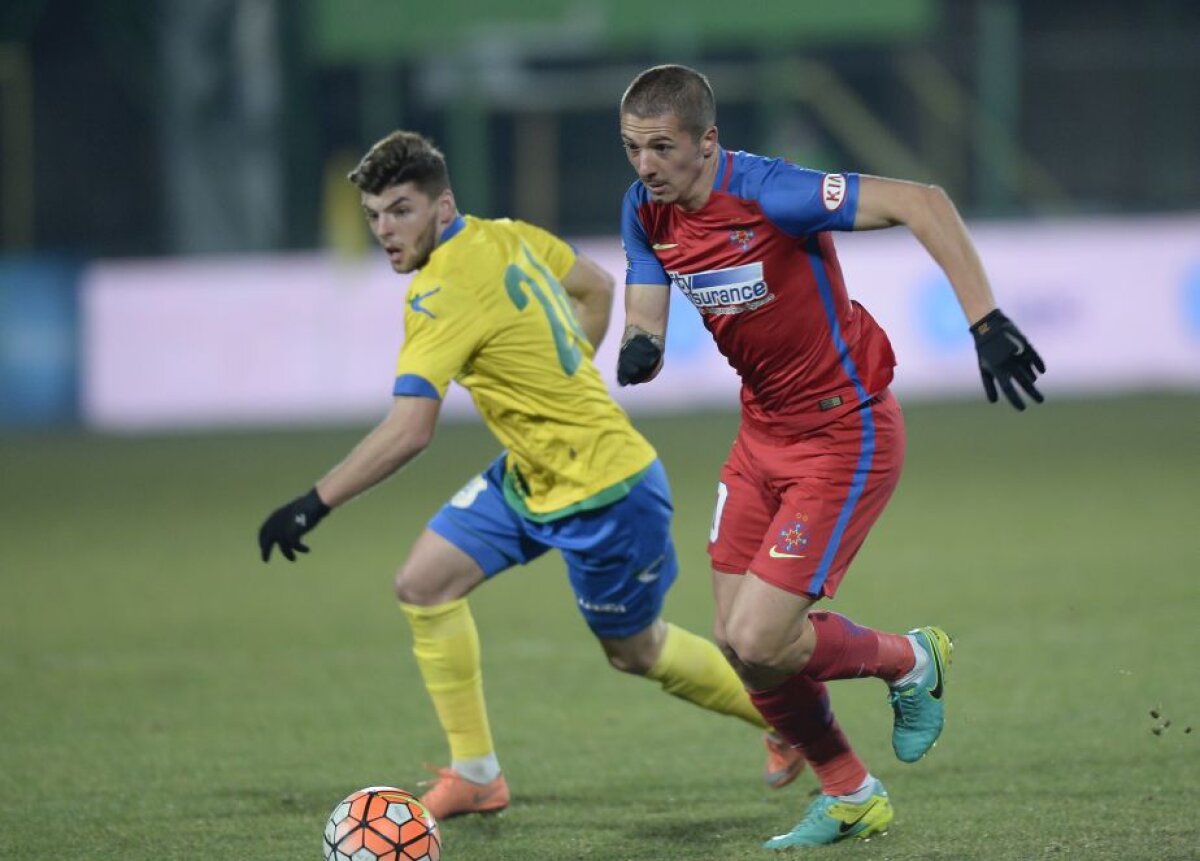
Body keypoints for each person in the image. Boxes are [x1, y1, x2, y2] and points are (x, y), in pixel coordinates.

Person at [256, 130, 807, 821]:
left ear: (442, 204)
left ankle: (787, 718)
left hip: (607, 490)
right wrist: (564, 367)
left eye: (400, 210)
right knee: (423, 584)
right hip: (529, 474)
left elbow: (410, 428)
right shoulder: (504, 234)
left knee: (636, 652)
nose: (385, 232)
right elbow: (596, 287)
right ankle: (477, 773)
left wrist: (315, 501)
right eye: (374, 216)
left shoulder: (439, 293)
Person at [615, 65, 1045, 849]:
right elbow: (645, 300)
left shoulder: (774, 193)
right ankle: (852, 793)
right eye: (633, 148)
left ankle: (911, 659)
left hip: (844, 434)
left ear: (707, 142)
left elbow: (924, 202)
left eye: (661, 147)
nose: (645, 165)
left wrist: (985, 320)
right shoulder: (646, 207)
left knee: (763, 640)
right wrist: (638, 346)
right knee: (739, 644)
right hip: (760, 437)